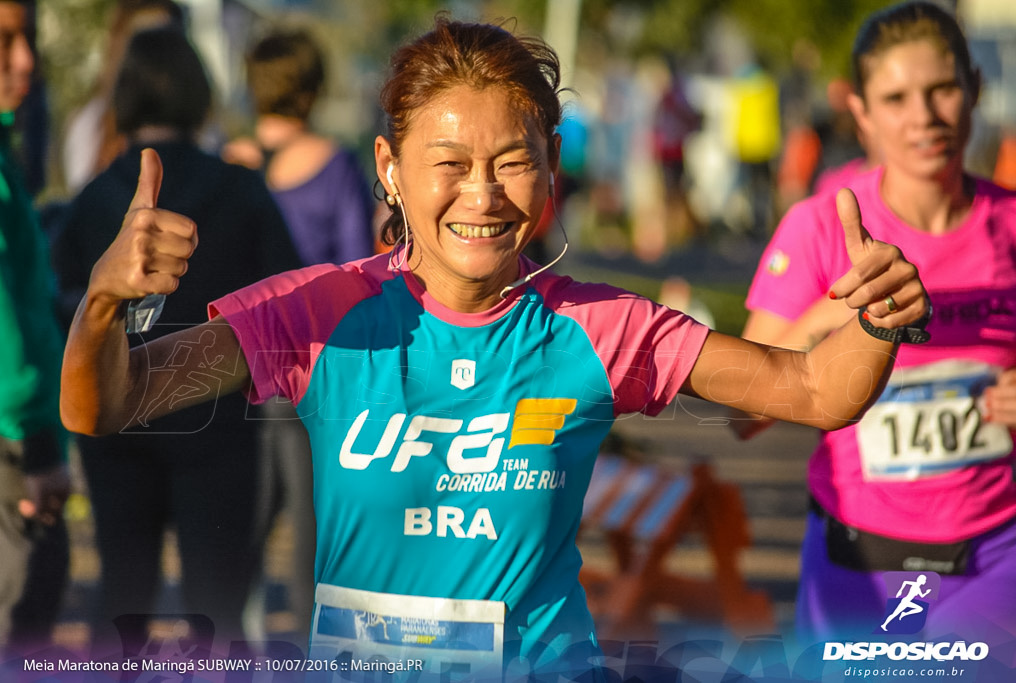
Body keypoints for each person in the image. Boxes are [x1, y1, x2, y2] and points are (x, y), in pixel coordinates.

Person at [59, 16, 929, 680]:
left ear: (551, 166)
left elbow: (814, 389)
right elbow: (107, 402)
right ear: (390, 168)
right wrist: (102, 303)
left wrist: (878, 319)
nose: (481, 193)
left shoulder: (601, 328)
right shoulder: (318, 312)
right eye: (449, 162)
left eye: (512, 160)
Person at [741, 1, 1016, 651]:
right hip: (856, 557)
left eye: (942, 89)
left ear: (974, 88)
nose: (923, 117)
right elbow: (743, 416)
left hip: (998, 552)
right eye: (895, 98)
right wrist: (845, 312)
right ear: (860, 114)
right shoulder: (819, 228)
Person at [51, 27, 300, 658]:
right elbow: (289, 301)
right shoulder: (242, 189)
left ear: (124, 96)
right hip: (217, 428)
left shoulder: (91, 199)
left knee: (121, 604)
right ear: (200, 94)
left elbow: (63, 309)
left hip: (116, 431)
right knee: (219, 614)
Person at [223, 27, 376, 645]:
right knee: (312, 512)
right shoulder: (335, 164)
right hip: (312, 367)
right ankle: (311, 643)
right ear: (310, 92)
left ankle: (243, 636)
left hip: (234, 362)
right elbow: (356, 265)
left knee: (244, 511)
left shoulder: (225, 164)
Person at [0, 0, 71, 664]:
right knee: (18, 629)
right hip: (9, 445)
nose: (25, 60)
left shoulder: (1, 150)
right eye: (3, 39)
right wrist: (37, 445)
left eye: (27, 39)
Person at [224, 28, 375, 265]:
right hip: (317, 301)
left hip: (246, 302)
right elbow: (359, 261)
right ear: (314, 89)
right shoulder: (338, 164)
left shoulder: (226, 163)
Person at [60, 0, 183, 195]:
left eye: (168, 42)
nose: (157, 57)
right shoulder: (89, 125)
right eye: (145, 43)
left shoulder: (204, 127)